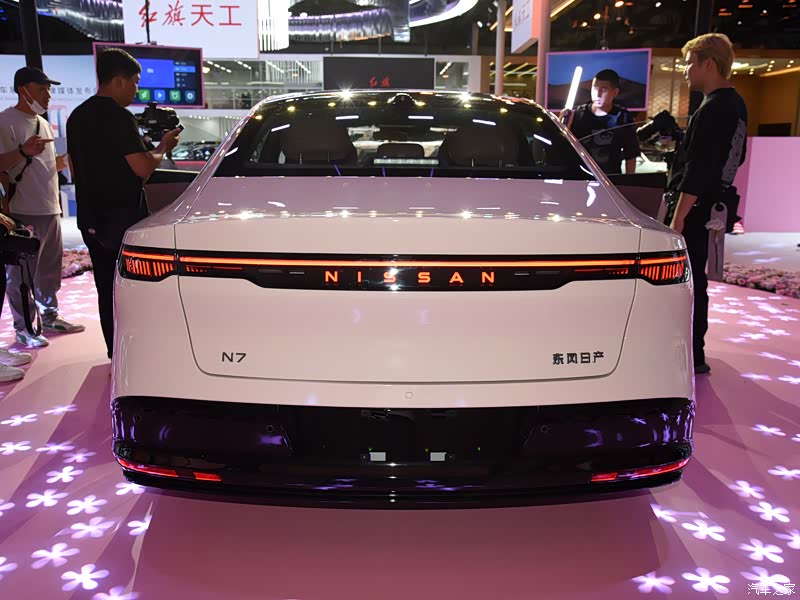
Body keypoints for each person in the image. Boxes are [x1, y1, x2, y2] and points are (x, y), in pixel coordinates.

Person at [67, 48, 181, 360]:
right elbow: (142, 168)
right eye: (134, 82)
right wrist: (163, 146)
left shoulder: (77, 116)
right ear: (118, 80)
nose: (135, 90)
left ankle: (114, 352)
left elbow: (74, 168)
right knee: (133, 289)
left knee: (105, 288)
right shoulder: (119, 117)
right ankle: (137, 356)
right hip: (122, 218)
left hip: (90, 218)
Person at [666, 33, 748, 375]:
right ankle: (694, 351)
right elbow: (733, 157)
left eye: (690, 63)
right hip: (715, 205)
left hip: (698, 209)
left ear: (709, 64)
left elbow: (698, 171)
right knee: (697, 280)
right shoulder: (736, 104)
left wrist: (678, 218)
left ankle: (688, 352)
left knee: (686, 281)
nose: (686, 71)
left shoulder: (713, 108)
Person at [0, 66, 85, 350]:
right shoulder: (5, 121)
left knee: (49, 269)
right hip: (22, 209)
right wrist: (23, 151)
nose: (47, 95)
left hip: (50, 207)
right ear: (23, 90)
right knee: (22, 274)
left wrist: (68, 159)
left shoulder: (43, 123)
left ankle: (49, 316)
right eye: (41, 89)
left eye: (48, 90)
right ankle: (24, 327)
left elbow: (47, 165)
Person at [563, 69, 640, 175]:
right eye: (595, 88)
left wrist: (629, 181)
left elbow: (631, 154)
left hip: (610, 179)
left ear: (615, 92)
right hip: (581, 177)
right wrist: (562, 125)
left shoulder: (623, 117)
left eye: (603, 90)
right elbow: (564, 148)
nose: (598, 94)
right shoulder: (577, 115)